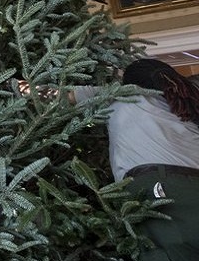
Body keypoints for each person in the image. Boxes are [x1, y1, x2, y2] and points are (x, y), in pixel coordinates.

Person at [73, 59, 199, 259]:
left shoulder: (122, 95)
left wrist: (25, 88)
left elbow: (62, 96)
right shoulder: (187, 99)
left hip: (159, 185)